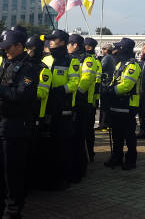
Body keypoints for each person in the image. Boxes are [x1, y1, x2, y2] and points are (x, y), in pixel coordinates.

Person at [0, 30, 39, 219]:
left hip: (16, 126)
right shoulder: (8, 63)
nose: (5, 51)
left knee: (12, 173)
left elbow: (22, 94)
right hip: (0, 123)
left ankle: (12, 213)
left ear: (19, 46)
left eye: (8, 47)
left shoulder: (29, 67)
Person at [41, 29, 80, 189]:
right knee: (46, 146)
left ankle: (62, 179)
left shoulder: (72, 61)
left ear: (63, 42)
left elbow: (74, 83)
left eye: (53, 39)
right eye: (49, 40)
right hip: (45, 108)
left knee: (62, 146)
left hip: (63, 109)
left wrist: (58, 90)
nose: (50, 42)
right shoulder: (46, 59)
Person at [102, 38, 141, 170]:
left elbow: (127, 86)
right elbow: (115, 80)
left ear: (125, 49)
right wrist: (107, 87)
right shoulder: (119, 64)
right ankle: (116, 157)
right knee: (116, 134)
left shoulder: (133, 66)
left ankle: (131, 160)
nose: (115, 50)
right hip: (116, 105)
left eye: (118, 48)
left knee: (129, 135)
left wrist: (111, 91)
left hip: (128, 105)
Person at [24, 35, 52, 188]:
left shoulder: (44, 70)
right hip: (21, 115)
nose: (28, 52)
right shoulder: (22, 65)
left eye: (30, 49)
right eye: (26, 49)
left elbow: (42, 93)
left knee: (32, 152)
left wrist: (22, 91)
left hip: (36, 115)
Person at [65, 33, 94, 182]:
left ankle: (79, 171)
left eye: (68, 44)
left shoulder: (87, 59)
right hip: (72, 103)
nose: (67, 46)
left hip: (82, 103)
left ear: (75, 45)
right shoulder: (69, 58)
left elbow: (86, 79)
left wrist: (75, 93)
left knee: (78, 138)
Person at [83, 37, 101, 162]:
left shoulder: (94, 62)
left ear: (89, 47)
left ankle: (90, 152)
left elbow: (97, 84)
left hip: (90, 101)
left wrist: (94, 100)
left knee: (88, 129)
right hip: (89, 100)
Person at [97, 44, 115, 131]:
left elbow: (100, 68)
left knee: (104, 106)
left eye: (103, 49)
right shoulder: (111, 57)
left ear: (107, 50)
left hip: (105, 84)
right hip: (109, 83)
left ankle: (103, 124)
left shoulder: (107, 58)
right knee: (106, 106)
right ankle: (105, 124)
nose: (102, 50)